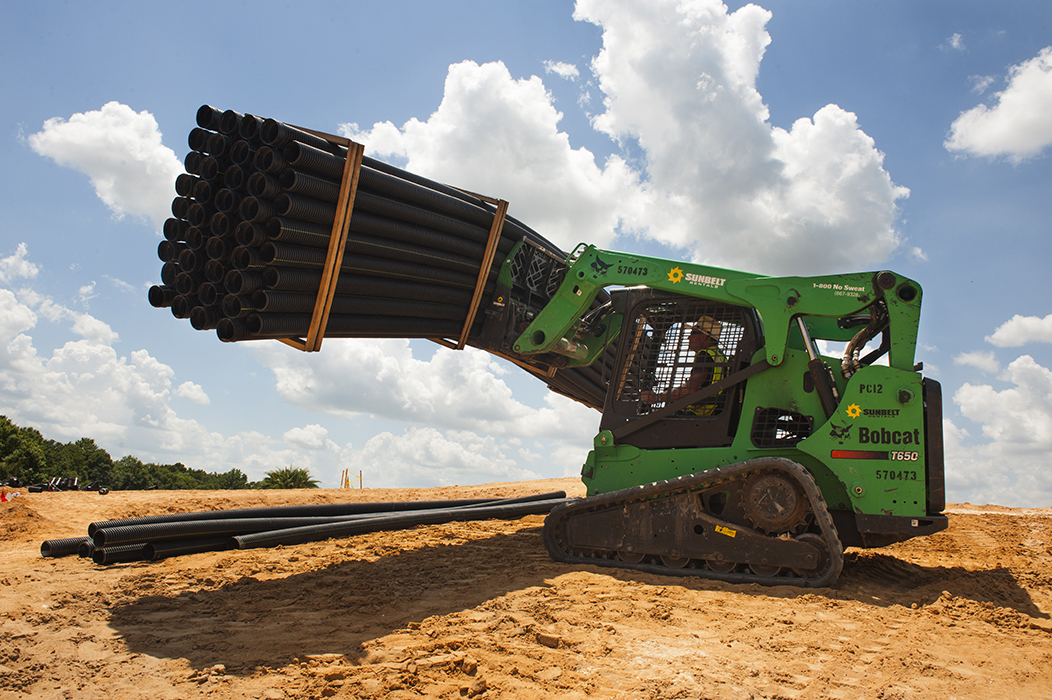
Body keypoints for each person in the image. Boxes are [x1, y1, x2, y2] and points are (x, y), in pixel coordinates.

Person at [641, 316, 726, 415]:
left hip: (699, 414)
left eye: (693, 333)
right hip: (711, 412)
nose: (688, 337)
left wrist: (656, 398)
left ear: (703, 337)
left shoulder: (705, 356)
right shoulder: (719, 356)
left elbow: (690, 389)